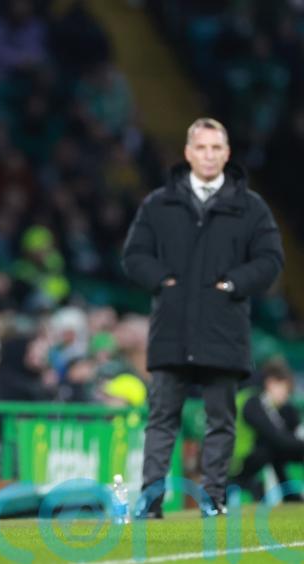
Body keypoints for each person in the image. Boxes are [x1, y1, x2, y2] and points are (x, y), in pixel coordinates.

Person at [123, 118, 284, 518]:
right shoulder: (159, 203)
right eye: (202, 147)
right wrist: (164, 281)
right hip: (172, 329)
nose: (209, 155)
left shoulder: (251, 207)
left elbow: (270, 260)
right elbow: (134, 255)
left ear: (227, 154)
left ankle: (213, 499)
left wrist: (233, 283)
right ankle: (151, 500)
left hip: (223, 329)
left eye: (216, 148)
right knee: (162, 420)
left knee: (221, 421)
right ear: (188, 152)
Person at [230, 360, 304, 501]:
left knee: (275, 449)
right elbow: (277, 438)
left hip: (243, 458)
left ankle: (289, 496)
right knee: (273, 447)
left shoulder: (262, 402)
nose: (286, 395)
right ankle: (288, 495)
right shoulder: (253, 402)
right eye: (284, 389)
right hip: (235, 461)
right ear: (271, 383)